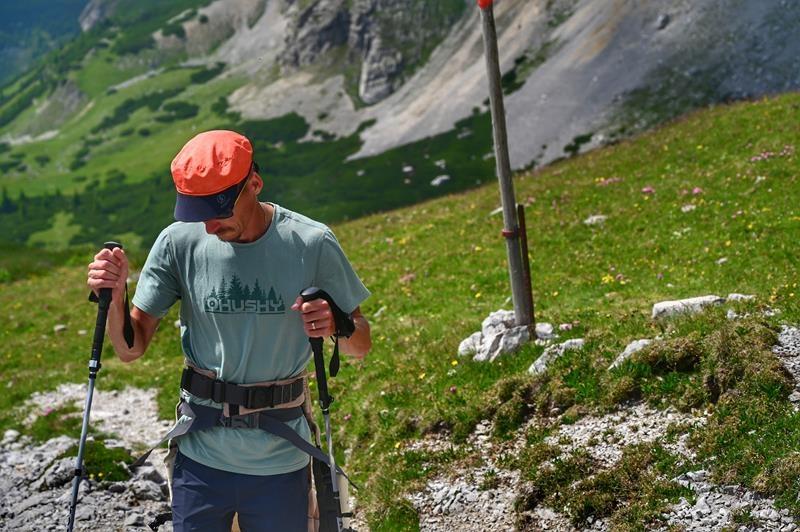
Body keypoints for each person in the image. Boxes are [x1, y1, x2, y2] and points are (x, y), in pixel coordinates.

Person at [86, 129, 371, 532]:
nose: (209, 226)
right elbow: (131, 347)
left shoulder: (311, 243)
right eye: (197, 212)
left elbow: (361, 343)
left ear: (254, 183)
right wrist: (115, 297)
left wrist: (336, 324)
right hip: (199, 459)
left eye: (218, 210)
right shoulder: (177, 243)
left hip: (280, 460)